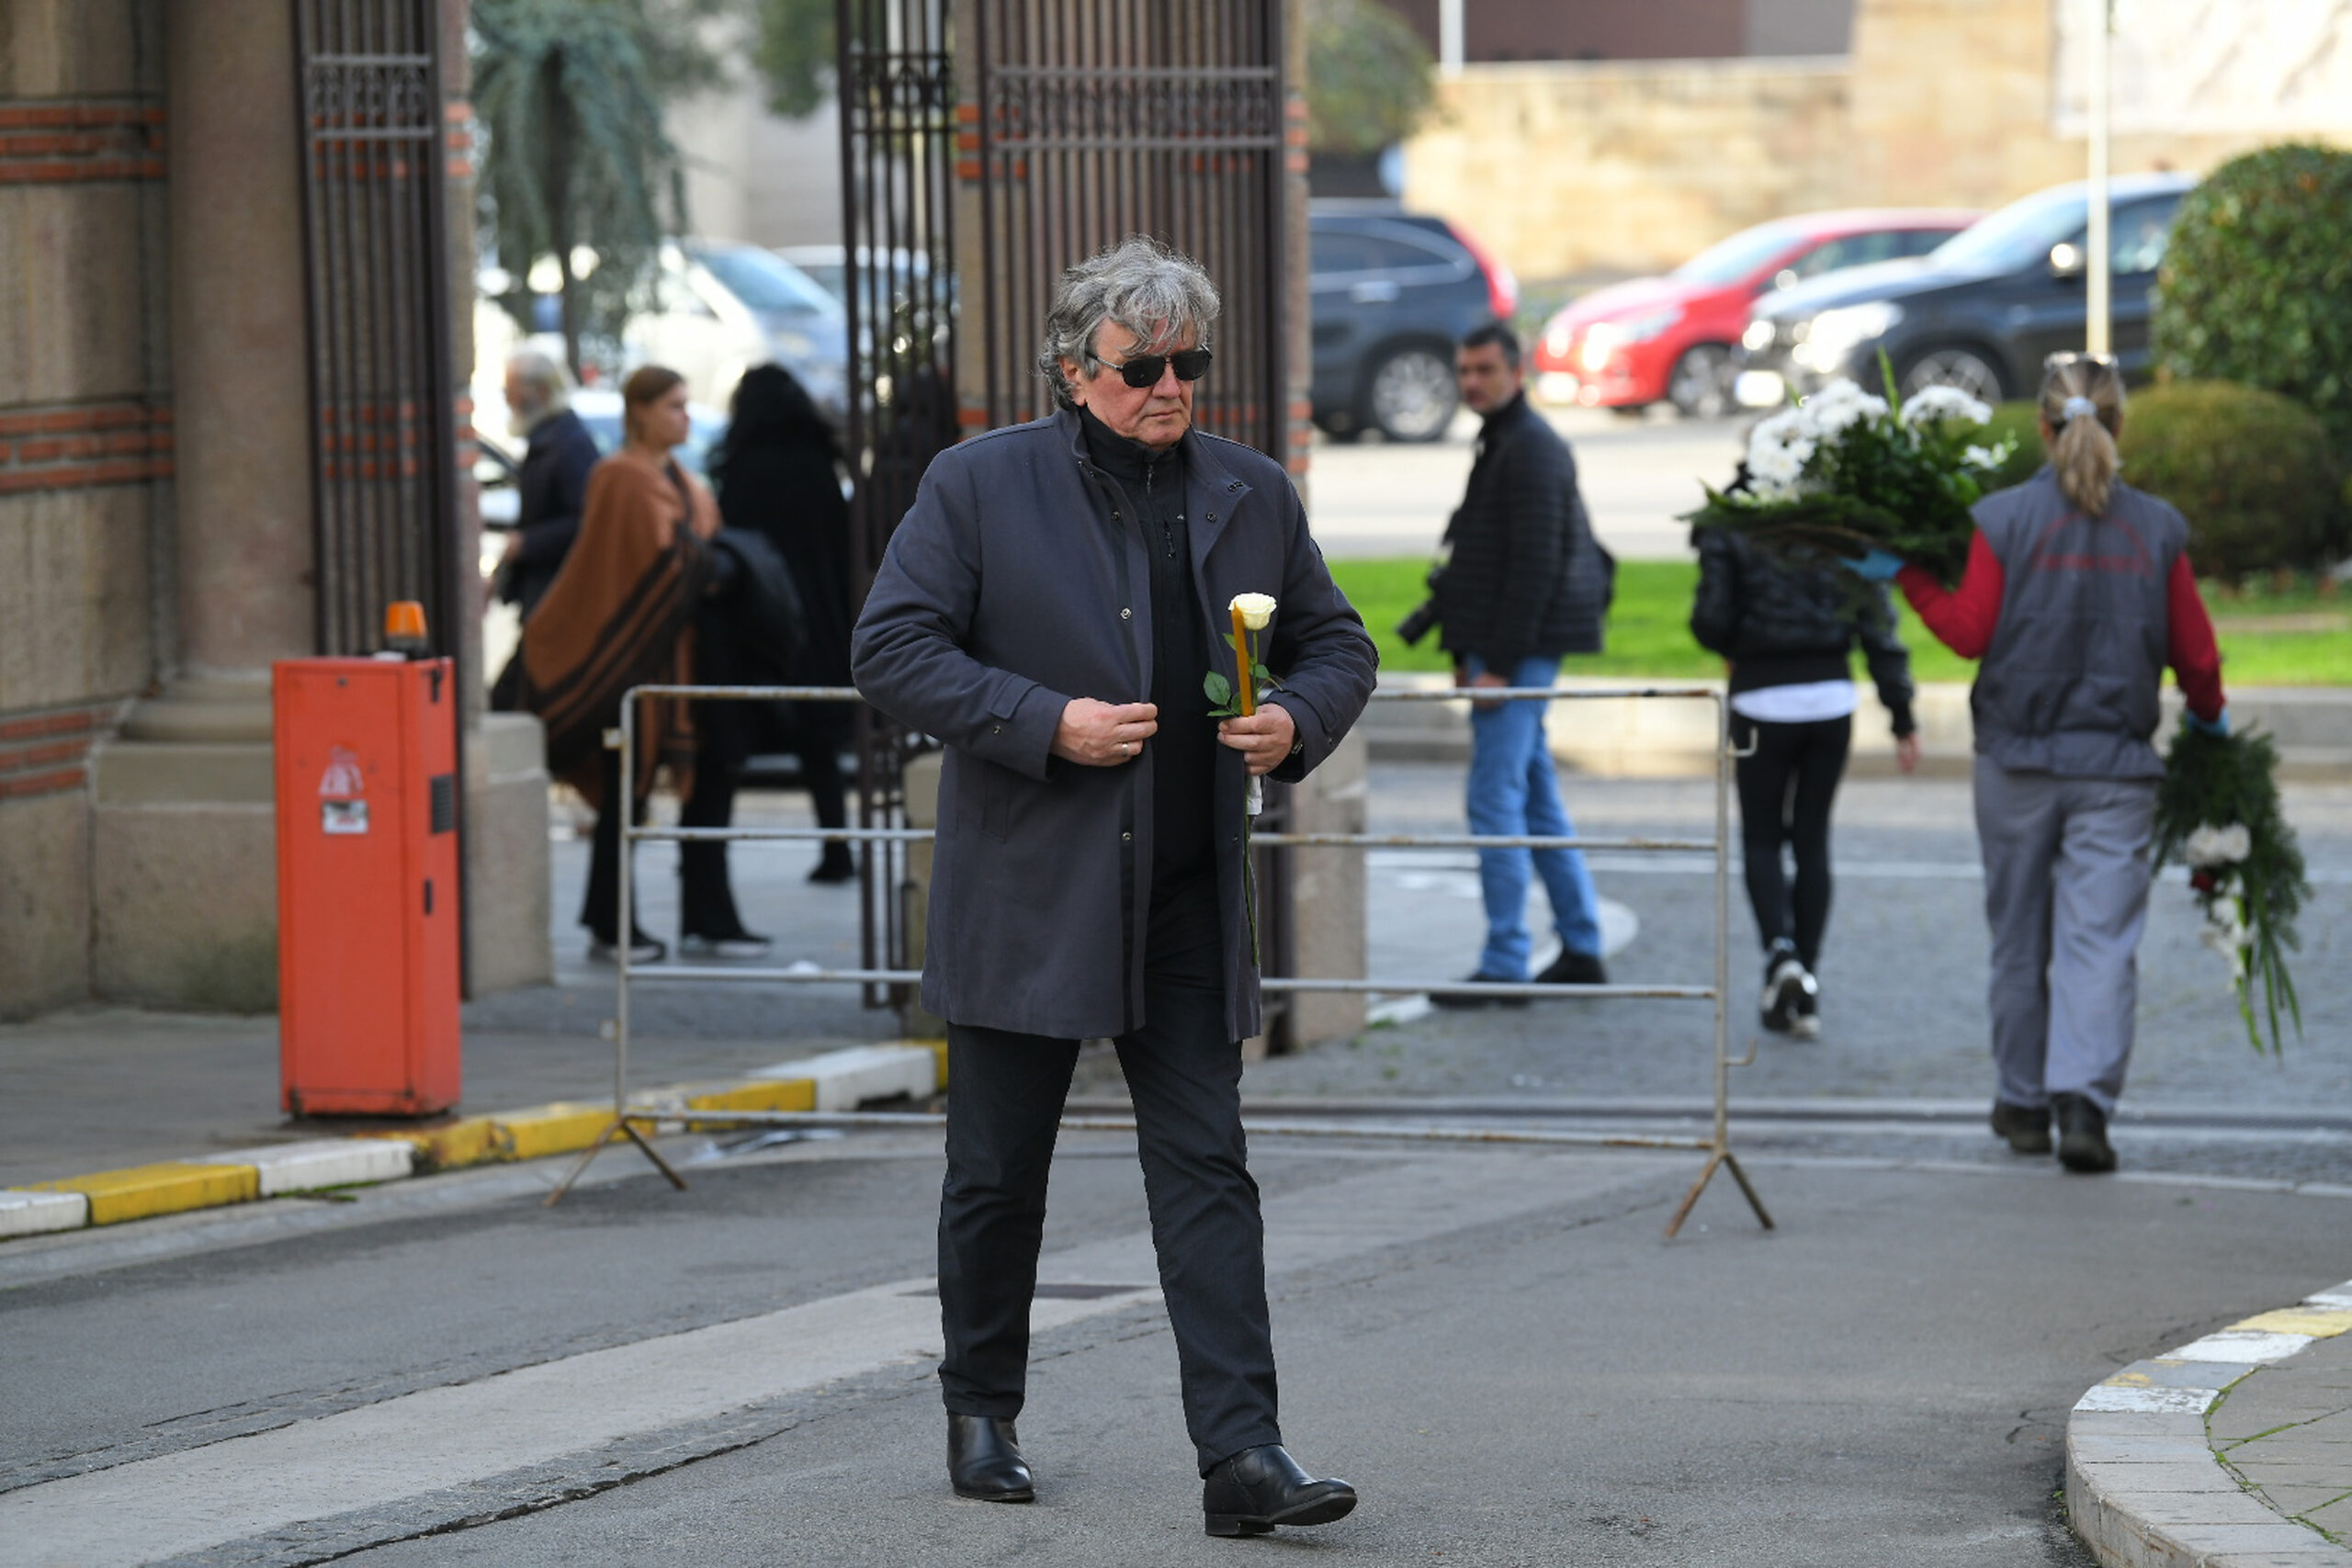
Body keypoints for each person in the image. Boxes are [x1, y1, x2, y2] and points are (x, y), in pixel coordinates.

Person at [852, 236, 1377, 1534]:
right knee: (997, 1171)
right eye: (1143, 367)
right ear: (1074, 368)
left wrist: (1294, 720)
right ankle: (981, 1408)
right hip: (1029, 891)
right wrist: (1046, 721)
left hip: (1188, 894)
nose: (1170, 387)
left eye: (1188, 363)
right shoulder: (978, 484)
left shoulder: (1254, 492)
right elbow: (892, 647)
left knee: (1209, 1169)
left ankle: (1243, 1454)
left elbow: (1338, 643)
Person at [1868, 353, 2226, 1173]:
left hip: (2016, 763)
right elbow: (2196, 655)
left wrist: (1907, 576)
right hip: (2116, 769)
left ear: (2041, 427)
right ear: (2121, 424)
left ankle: (2023, 1102)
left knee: (2018, 937)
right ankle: (2084, 1106)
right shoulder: (2157, 528)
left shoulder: (2002, 519)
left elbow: (1969, 632)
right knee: (2100, 942)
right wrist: (2211, 722)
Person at [1427, 321, 1613, 1007]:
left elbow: (1536, 565)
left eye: (1485, 370)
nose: (1471, 382)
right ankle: (1582, 945)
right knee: (1534, 797)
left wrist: (1498, 665)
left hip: (1519, 651)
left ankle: (1506, 962)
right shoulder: (1505, 439)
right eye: (1464, 370)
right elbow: (1481, 561)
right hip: (1506, 646)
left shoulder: (1530, 446)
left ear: (1516, 371)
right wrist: (1464, 652)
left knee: (1494, 798)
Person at [517, 366, 721, 965]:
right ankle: (611, 926)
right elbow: (646, 565)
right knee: (621, 796)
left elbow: (693, 549)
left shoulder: (681, 479)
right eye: (673, 405)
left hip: (664, 660)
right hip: (619, 660)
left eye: (686, 404)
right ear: (640, 411)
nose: (685, 416)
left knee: (628, 798)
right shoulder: (620, 476)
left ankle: (613, 921)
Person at [1690, 523, 1920, 1038]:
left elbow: (1710, 618)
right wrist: (1901, 711)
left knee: (1762, 838)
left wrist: (1737, 641)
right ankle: (1806, 981)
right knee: (1812, 840)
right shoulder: (1839, 520)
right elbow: (1876, 619)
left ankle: (1780, 955)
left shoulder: (1733, 524)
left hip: (1760, 696)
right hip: (1830, 698)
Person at [709, 364, 859, 886]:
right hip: (819, 613)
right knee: (819, 743)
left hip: (761, 615)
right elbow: (842, 545)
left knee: (732, 736)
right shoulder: (818, 463)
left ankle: (712, 868)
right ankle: (837, 848)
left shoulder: (743, 467)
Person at [497, 348, 604, 617]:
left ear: (542, 392)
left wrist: (527, 543)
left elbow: (586, 520)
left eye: (511, 390)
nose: (508, 399)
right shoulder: (547, 440)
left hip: (564, 593)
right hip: (547, 591)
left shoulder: (568, 444)